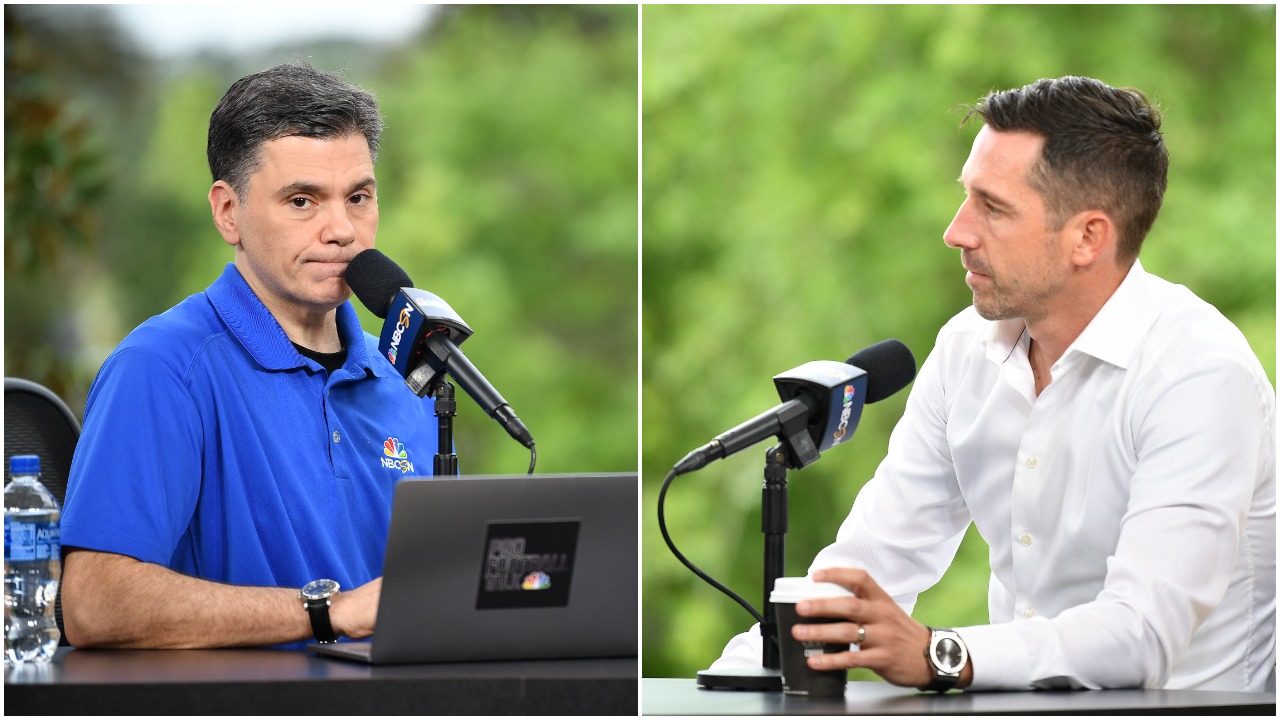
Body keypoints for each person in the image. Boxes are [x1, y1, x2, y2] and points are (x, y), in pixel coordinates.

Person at [711, 76, 1276, 692]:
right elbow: (873, 558)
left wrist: (937, 654)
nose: (957, 232)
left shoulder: (1198, 374)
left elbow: (1140, 633)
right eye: (966, 198)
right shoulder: (964, 349)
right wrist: (729, 677)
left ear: (1089, 236)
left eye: (994, 207)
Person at [59, 62, 439, 649]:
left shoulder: (401, 382)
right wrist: (326, 612)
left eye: (358, 197)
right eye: (303, 201)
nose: (342, 229)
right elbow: (95, 604)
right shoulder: (163, 369)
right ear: (227, 213)